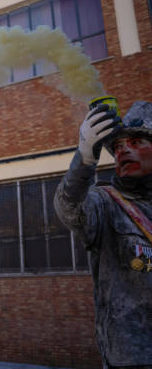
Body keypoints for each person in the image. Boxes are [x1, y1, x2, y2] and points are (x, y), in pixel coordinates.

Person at [54, 100, 152, 369]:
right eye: (118, 146)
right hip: (133, 359)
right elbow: (69, 208)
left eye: (136, 142)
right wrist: (85, 157)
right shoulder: (106, 202)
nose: (123, 151)